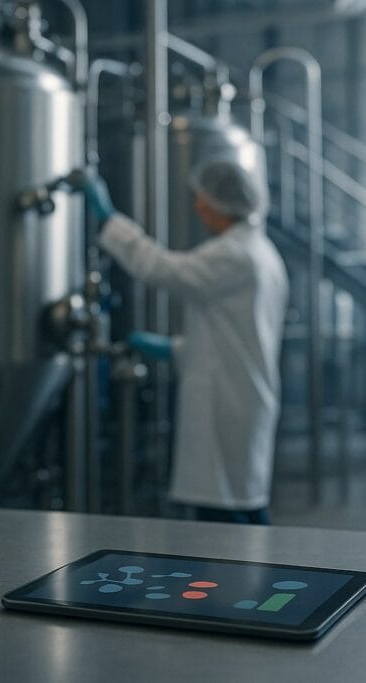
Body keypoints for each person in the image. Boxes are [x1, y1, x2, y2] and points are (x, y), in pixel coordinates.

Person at [83, 158, 289, 525]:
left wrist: (109, 220)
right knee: (244, 501)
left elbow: (165, 269)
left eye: (201, 199)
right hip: (244, 388)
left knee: (224, 511)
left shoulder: (233, 254)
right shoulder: (261, 250)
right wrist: (174, 349)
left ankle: (242, 565)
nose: (197, 207)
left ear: (218, 204)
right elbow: (233, 334)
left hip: (227, 399)